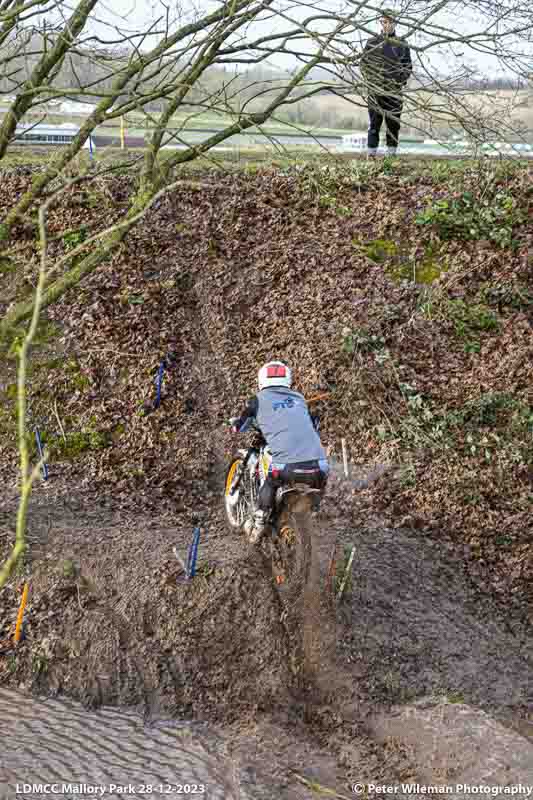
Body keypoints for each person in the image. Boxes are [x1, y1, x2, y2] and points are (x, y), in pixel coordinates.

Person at [230, 360, 329, 545]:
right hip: (321, 467)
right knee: (312, 491)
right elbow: (312, 424)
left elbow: (241, 426)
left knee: (272, 479)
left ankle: (258, 523)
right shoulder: (299, 398)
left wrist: (236, 425)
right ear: (288, 379)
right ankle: (312, 513)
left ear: (261, 380)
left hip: (287, 466)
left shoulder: (257, 399)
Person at [360, 8, 412, 157]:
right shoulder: (372, 42)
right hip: (375, 92)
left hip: (394, 93)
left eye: (388, 22)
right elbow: (363, 64)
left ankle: (391, 158)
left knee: (393, 127)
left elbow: (408, 67)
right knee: (374, 126)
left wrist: (397, 81)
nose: (385, 25)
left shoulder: (402, 44)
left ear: (394, 23)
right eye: (383, 22)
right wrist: (371, 82)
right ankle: (371, 157)